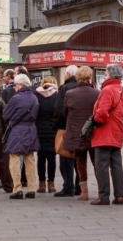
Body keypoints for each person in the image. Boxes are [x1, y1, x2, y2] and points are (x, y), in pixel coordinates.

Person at [90, 64, 123, 206]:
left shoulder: (107, 90)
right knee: (116, 164)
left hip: (104, 132)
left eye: (105, 74)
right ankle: (119, 195)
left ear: (111, 75)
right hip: (117, 131)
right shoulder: (121, 90)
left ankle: (103, 196)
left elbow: (101, 113)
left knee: (102, 165)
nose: (104, 76)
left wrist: (96, 121)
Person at [63, 66, 100, 201]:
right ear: (90, 77)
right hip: (94, 132)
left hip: (77, 133)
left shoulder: (70, 94)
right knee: (97, 163)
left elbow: (65, 113)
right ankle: (102, 190)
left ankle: (84, 192)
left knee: (80, 162)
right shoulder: (97, 93)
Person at [3, 74, 40, 199]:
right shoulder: (34, 98)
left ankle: (17, 188)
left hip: (18, 129)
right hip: (31, 129)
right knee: (29, 158)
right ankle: (31, 188)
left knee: (14, 157)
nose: (14, 88)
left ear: (21, 85)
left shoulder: (16, 98)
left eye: (16, 85)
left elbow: (6, 114)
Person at [53, 65, 80, 197]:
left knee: (65, 159)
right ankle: (80, 186)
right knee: (79, 158)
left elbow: (58, 110)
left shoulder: (65, 88)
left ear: (68, 74)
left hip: (65, 128)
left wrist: (57, 127)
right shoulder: (85, 87)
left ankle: (68, 186)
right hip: (81, 129)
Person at [34, 76, 58, 194]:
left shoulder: (36, 95)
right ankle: (51, 184)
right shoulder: (56, 95)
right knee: (52, 157)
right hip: (53, 129)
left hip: (39, 129)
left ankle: (41, 184)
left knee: (41, 157)